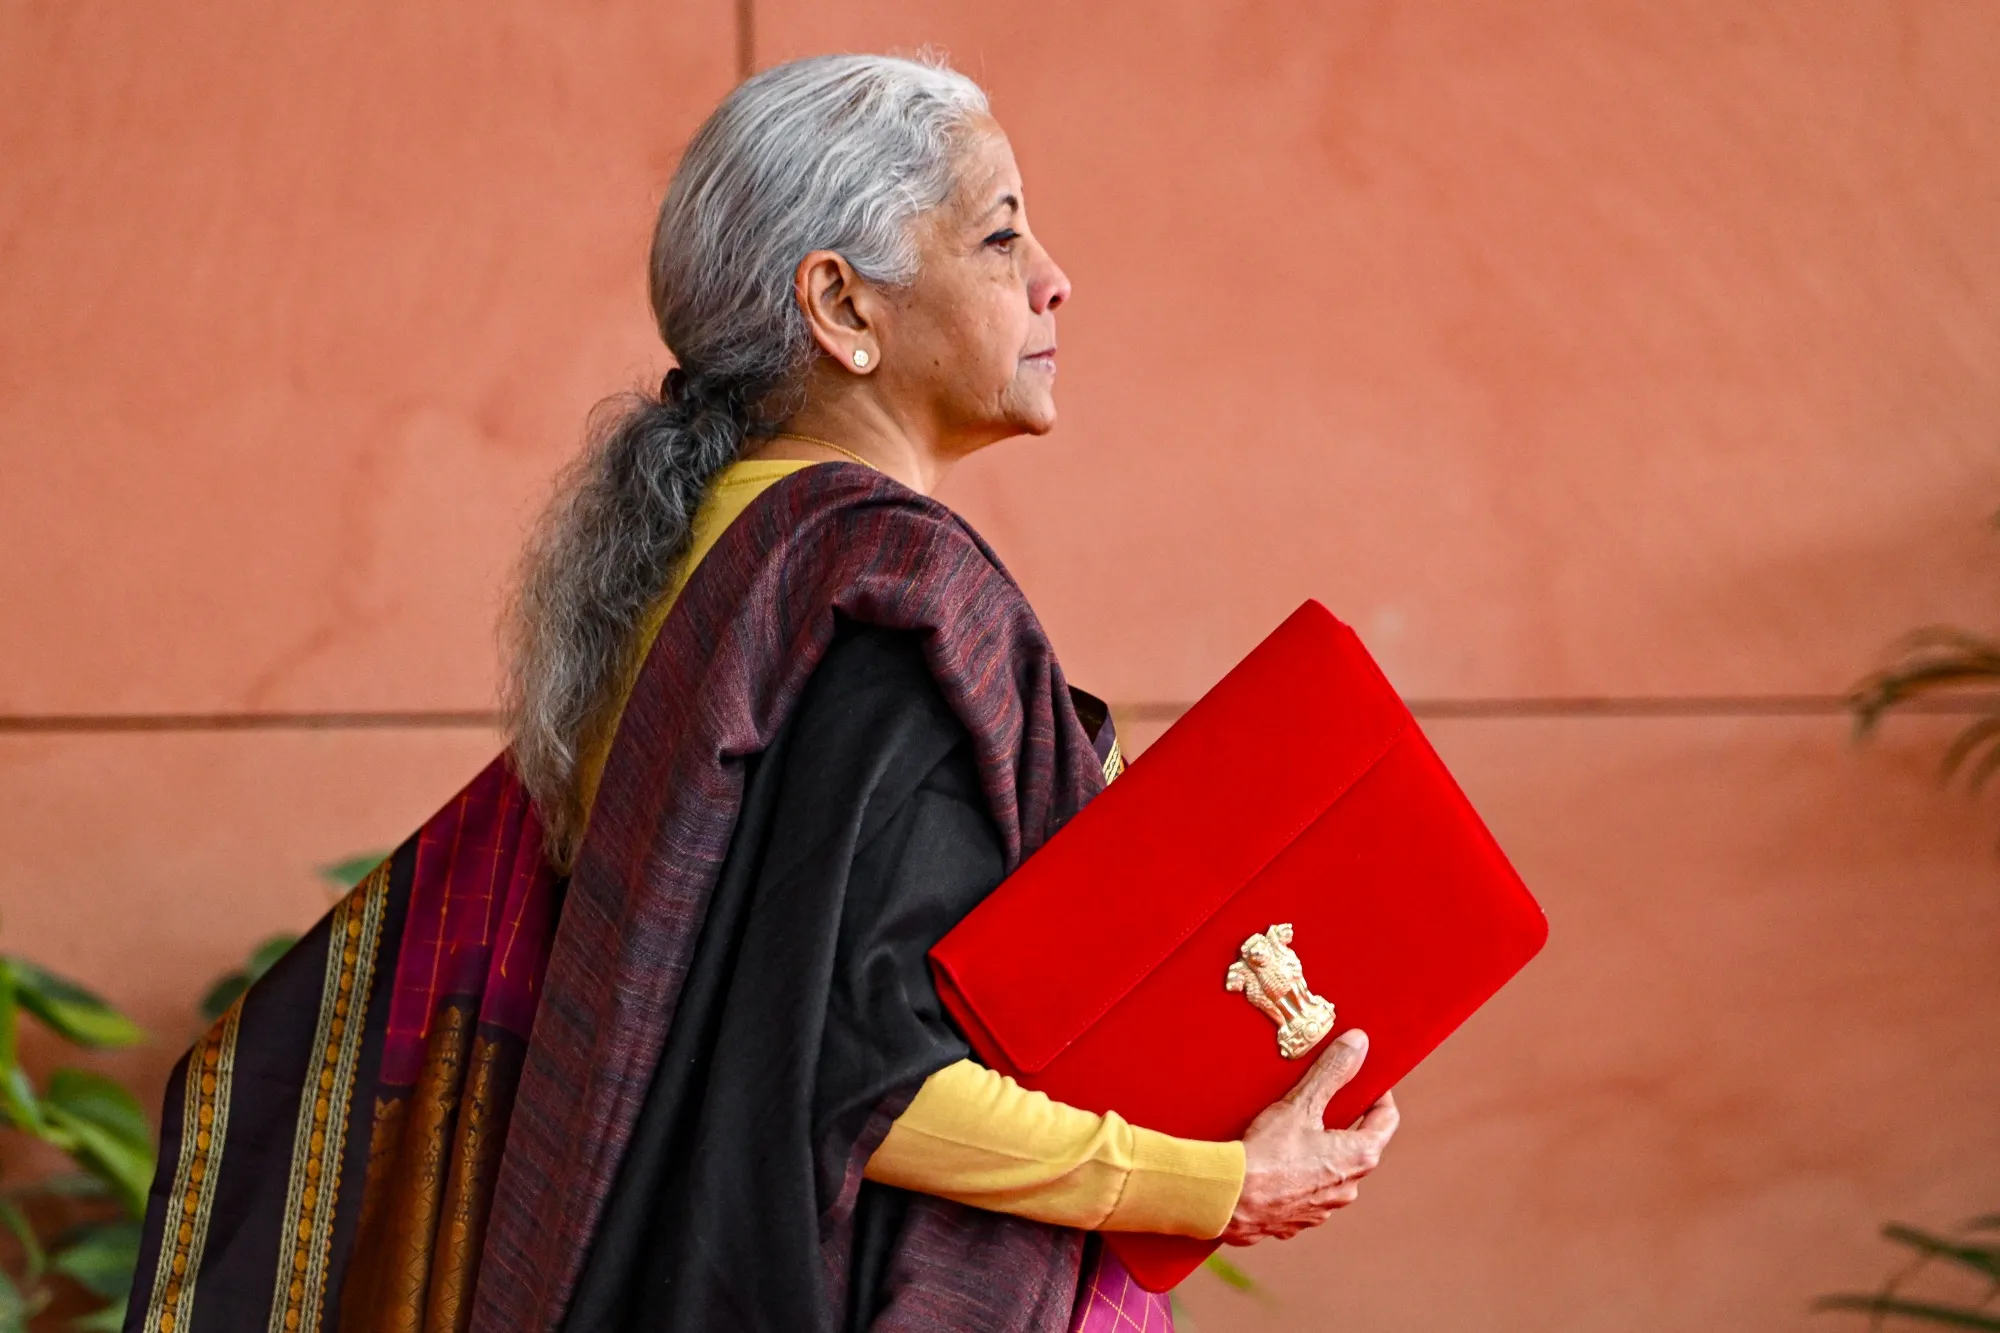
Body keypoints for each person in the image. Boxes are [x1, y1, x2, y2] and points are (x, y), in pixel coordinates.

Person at [124, 53, 1398, 1333]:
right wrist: (1211, 1184)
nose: (1052, 277)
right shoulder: (869, 603)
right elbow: (861, 1073)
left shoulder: (704, 575)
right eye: (1000, 234)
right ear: (842, 307)